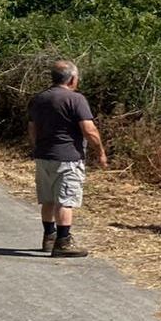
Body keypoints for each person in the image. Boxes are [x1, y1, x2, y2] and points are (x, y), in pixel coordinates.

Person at [27, 60, 108, 258]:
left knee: (48, 199)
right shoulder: (76, 99)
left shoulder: (39, 99)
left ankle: (49, 237)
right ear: (72, 79)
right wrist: (100, 151)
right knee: (65, 200)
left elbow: (32, 128)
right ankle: (63, 242)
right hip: (68, 158)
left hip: (43, 156)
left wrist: (37, 147)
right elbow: (89, 130)